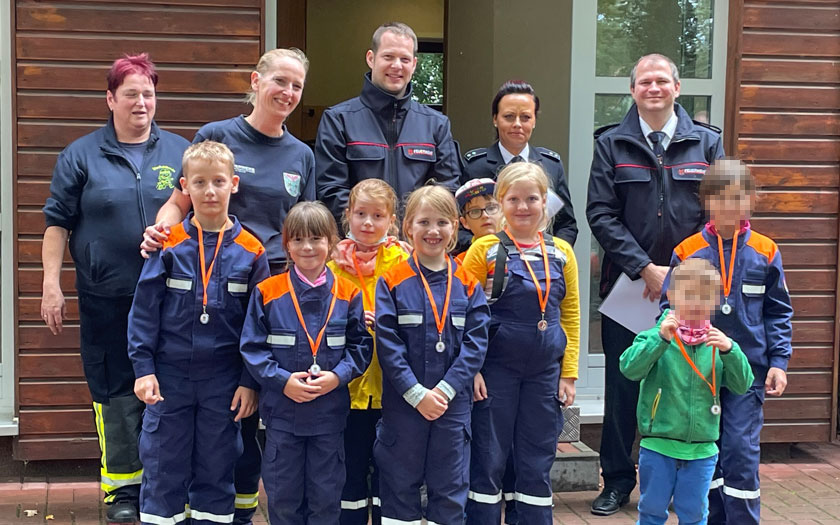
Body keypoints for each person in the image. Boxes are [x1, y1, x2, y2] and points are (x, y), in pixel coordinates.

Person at [140, 48, 314, 523]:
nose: (288, 92)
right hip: (203, 276)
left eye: (297, 85)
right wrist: (162, 234)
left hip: (271, 293)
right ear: (256, 81)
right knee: (199, 428)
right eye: (280, 80)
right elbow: (180, 200)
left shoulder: (302, 155)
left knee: (243, 413)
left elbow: (306, 228)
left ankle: (235, 510)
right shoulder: (217, 136)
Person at [40, 53, 190, 523]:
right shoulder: (81, 155)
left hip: (171, 297)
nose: (141, 102)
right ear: (110, 99)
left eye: (148, 93)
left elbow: (192, 202)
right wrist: (50, 285)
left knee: (167, 389)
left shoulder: (180, 151)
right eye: (131, 94)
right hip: (106, 298)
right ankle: (123, 490)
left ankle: (165, 483)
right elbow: (57, 224)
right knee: (115, 393)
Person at [586, 53, 725, 516]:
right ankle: (618, 480)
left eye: (662, 81)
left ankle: (689, 480)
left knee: (690, 379)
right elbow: (600, 213)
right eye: (644, 81)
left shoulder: (707, 144)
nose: (653, 88)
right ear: (632, 91)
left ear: (678, 87)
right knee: (625, 384)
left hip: (692, 291)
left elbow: (716, 216)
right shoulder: (611, 143)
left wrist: (682, 272)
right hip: (630, 289)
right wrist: (644, 267)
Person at [127, 141, 268, 525]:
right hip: (169, 377)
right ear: (185, 186)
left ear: (233, 184)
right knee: (163, 465)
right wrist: (143, 369)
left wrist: (248, 381)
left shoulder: (252, 252)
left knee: (217, 467)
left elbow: (259, 327)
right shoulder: (168, 244)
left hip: (224, 382)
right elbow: (144, 313)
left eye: (218, 181)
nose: (209, 191)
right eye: (200, 182)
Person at [662, 159, 793, 524]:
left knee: (740, 450)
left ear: (750, 200)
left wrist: (779, 363)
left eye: (737, 198)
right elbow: (667, 307)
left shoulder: (766, 250)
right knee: (708, 453)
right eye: (720, 198)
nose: (729, 207)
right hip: (698, 373)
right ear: (706, 201)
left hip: (747, 371)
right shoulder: (687, 251)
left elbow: (778, 312)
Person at [239, 201, 372, 524]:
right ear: (286, 244)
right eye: (297, 240)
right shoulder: (268, 292)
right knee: (283, 498)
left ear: (331, 241)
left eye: (316, 238)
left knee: (326, 498)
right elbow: (253, 348)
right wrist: (282, 380)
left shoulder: (349, 293)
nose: (308, 247)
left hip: (329, 418)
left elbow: (360, 347)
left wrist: (338, 377)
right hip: (282, 417)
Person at [463, 162, 580, 525]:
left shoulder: (562, 251)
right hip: (495, 372)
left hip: (544, 374)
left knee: (537, 456)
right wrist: (474, 370)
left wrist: (569, 374)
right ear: (500, 203)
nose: (523, 207)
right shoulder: (484, 249)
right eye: (513, 199)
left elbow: (572, 314)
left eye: (532, 198)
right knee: (488, 456)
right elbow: (464, 314)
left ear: (545, 202)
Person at [374, 185, 490, 525]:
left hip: (451, 409)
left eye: (442, 222)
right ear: (408, 227)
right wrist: (416, 393)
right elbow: (388, 344)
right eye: (424, 222)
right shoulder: (392, 281)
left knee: (450, 491)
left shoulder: (468, 283)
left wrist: (444, 390)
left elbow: (475, 344)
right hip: (403, 408)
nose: (433, 231)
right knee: (398, 490)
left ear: (455, 226)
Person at [620, 257, 754, 524]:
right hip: (658, 446)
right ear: (672, 295)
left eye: (705, 297)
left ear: (716, 302)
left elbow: (742, 385)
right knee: (652, 512)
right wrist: (660, 339)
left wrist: (731, 351)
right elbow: (629, 368)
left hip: (702, 450)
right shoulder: (655, 336)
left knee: (694, 513)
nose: (696, 304)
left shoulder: (719, 343)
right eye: (688, 295)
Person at [315, 21, 461, 227]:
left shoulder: (436, 124)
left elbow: (447, 191)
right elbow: (332, 190)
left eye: (404, 59)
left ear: (414, 64)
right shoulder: (339, 120)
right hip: (361, 249)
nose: (397, 66)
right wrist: (374, 234)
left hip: (416, 250)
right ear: (371, 58)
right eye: (388, 57)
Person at [326, 179, 409, 524]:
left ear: (391, 221)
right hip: (350, 389)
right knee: (351, 468)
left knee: (390, 470)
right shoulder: (331, 263)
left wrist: (392, 320)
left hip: (393, 387)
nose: (368, 223)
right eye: (360, 214)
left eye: (378, 215)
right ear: (347, 216)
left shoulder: (404, 260)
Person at [462, 80, 577, 249]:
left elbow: (566, 224)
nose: (517, 124)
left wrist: (554, 255)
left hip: (541, 264)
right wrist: (484, 249)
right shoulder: (474, 166)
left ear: (534, 121)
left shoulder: (551, 165)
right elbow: (457, 225)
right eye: (509, 116)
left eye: (525, 117)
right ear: (495, 119)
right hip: (488, 265)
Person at [453, 177, 501, 263]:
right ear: (465, 222)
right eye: (475, 211)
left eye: (491, 208)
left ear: (503, 210)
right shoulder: (460, 263)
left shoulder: (523, 244)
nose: (485, 215)